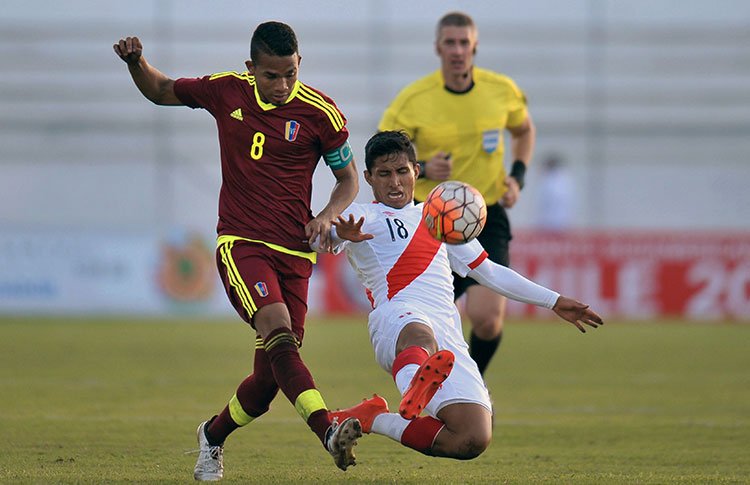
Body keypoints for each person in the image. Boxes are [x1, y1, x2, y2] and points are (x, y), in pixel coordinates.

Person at [114, 21, 363, 480]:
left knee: (268, 382)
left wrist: (327, 215)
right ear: (252, 69)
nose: (283, 84)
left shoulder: (321, 113)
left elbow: (349, 180)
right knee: (279, 331)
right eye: (271, 76)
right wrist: (137, 64)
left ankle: (211, 435)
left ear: (299, 65)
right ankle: (328, 429)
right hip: (242, 242)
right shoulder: (226, 91)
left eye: (290, 73)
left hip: (296, 254)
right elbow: (163, 90)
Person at [318, 131, 602, 459]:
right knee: (419, 336)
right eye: (384, 174)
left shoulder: (440, 218)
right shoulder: (364, 216)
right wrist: (338, 232)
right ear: (368, 177)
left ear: (416, 171)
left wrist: (553, 300)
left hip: (447, 333)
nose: (394, 182)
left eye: (401, 172)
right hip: (397, 318)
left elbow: (491, 272)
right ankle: (414, 385)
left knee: (471, 438)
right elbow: (316, 237)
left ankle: (373, 417)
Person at [379, 12, 536, 377]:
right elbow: (383, 148)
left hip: (486, 215)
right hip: (429, 219)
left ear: (475, 46)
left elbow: (524, 130)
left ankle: (471, 386)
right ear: (437, 48)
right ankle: (432, 389)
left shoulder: (501, 91)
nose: (457, 50)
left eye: (464, 42)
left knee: (487, 319)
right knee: (424, 322)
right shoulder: (415, 99)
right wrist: (421, 166)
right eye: (449, 42)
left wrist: (518, 177)